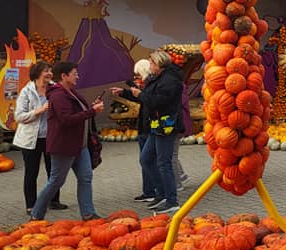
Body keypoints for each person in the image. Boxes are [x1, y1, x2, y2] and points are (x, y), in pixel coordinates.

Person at [30, 61, 105, 221]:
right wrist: (92, 111)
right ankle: (36, 214)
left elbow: (79, 113)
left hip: (80, 146)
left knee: (85, 177)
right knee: (56, 181)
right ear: (64, 76)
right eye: (74, 73)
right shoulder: (58, 95)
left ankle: (88, 213)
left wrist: (91, 109)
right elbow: (66, 120)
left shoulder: (71, 92)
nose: (77, 76)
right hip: (64, 146)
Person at [113, 50, 184, 214]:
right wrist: (126, 93)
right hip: (155, 125)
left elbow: (156, 101)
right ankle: (161, 194)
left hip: (166, 126)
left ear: (159, 64)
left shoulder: (170, 80)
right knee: (146, 159)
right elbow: (146, 97)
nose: (150, 66)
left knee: (164, 163)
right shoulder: (158, 78)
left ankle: (172, 200)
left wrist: (141, 94)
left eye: (151, 63)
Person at [12, 61, 68, 215]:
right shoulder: (26, 91)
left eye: (50, 70)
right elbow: (19, 116)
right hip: (31, 139)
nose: (49, 73)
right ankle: (31, 205)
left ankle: (54, 201)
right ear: (37, 73)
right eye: (46, 71)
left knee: (54, 171)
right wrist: (39, 111)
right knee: (32, 172)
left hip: (51, 136)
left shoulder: (56, 88)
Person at [116, 59, 156, 202]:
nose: (137, 77)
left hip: (149, 127)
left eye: (138, 74)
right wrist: (125, 93)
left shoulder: (152, 84)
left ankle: (156, 191)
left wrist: (137, 93)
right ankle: (149, 191)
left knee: (147, 160)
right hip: (144, 127)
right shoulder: (147, 84)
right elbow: (142, 99)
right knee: (147, 161)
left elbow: (147, 100)